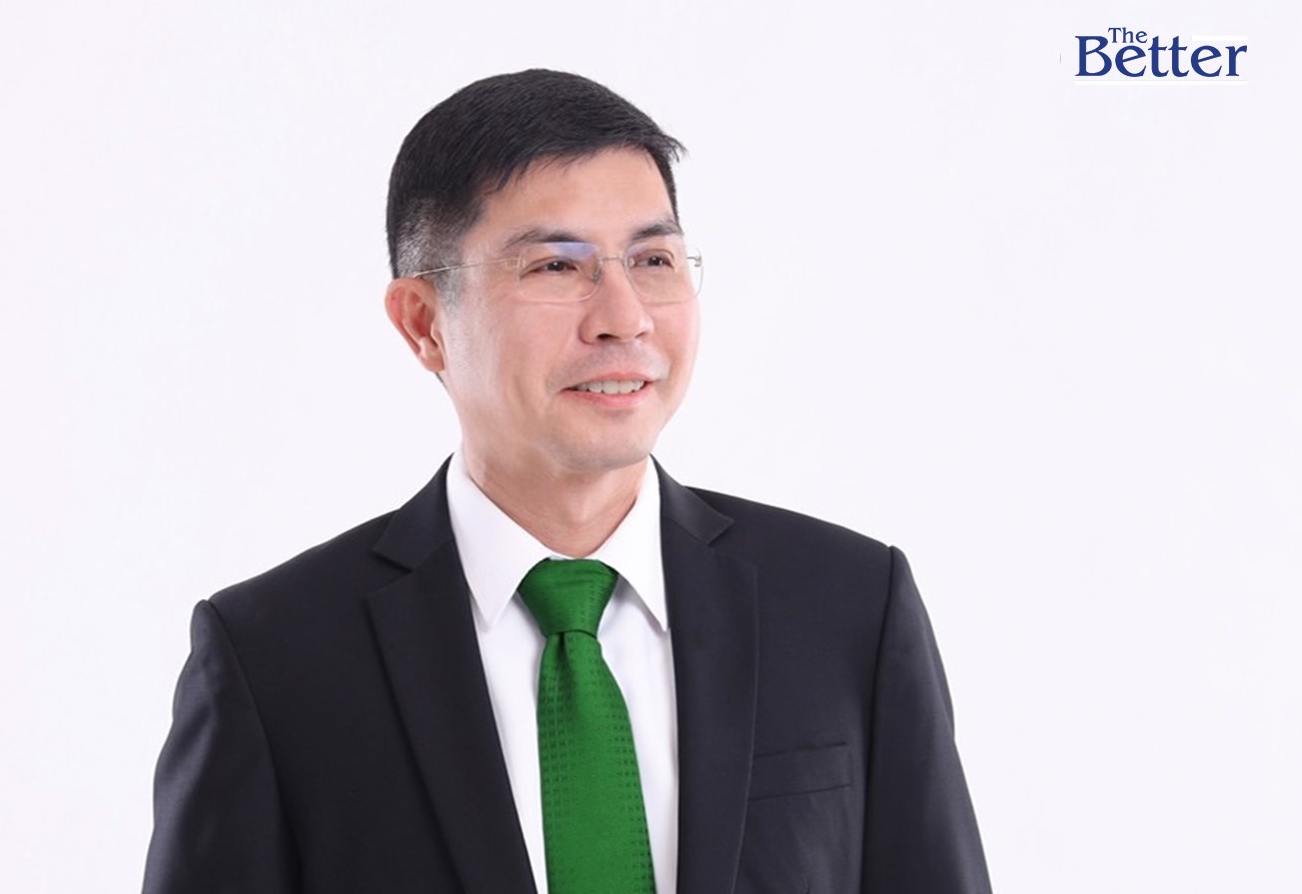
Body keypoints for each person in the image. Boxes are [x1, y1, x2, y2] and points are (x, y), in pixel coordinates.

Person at [141, 68, 992, 894]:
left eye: (653, 260)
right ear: (424, 323)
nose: (625, 318)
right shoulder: (274, 659)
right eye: (555, 266)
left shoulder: (848, 606)